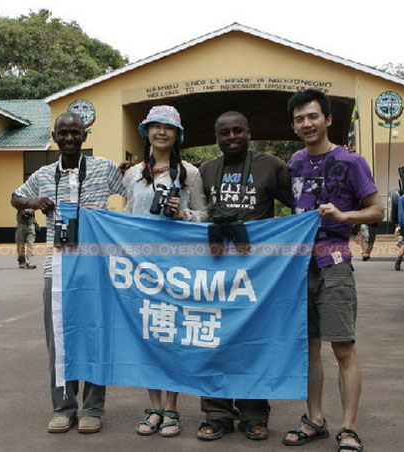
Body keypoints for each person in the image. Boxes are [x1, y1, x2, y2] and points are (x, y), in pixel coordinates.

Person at [11, 111, 125, 435]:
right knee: (59, 340)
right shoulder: (45, 174)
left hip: (97, 267)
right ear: (55, 136)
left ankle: (92, 409)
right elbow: (14, 197)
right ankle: (62, 407)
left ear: (85, 136)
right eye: (63, 133)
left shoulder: (103, 168)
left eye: (75, 132)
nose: (70, 138)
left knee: (96, 336)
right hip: (58, 267)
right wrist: (35, 201)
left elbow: (130, 189)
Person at [282, 89, 383, 452]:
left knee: (342, 347)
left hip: (335, 262)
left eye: (312, 116)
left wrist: (344, 216)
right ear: (293, 126)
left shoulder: (351, 162)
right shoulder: (293, 162)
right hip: (299, 267)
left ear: (327, 119)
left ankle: (350, 427)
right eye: (299, 119)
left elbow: (377, 210)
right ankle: (315, 420)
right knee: (309, 348)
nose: (306, 123)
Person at [196, 111, 293, 442]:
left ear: (250, 132)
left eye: (238, 130)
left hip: (258, 274)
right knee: (214, 340)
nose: (232, 137)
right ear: (217, 137)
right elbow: (197, 216)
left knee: (254, 343)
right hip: (215, 272)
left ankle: (254, 412)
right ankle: (217, 412)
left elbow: (298, 205)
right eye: (225, 133)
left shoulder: (271, 166)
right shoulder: (206, 170)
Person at [122, 105, 207, 438]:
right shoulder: (132, 175)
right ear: (146, 133)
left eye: (168, 128)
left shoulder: (189, 173)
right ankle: (153, 406)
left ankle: (171, 407)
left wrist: (183, 213)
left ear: (177, 135)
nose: (161, 132)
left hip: (176, 268)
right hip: (140, 269)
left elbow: (205, 215)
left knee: (172, 336)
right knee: (146, 337)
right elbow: (126, 219)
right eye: (155, 127)